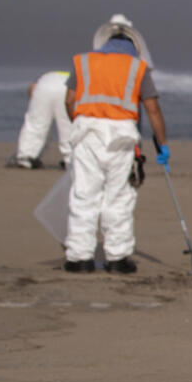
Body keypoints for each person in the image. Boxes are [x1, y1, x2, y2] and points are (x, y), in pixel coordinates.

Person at [62, 14, 167, 275]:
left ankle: (79, 258)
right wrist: (162, 145)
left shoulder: (82, 62)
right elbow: (153, 110)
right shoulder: (138, 68)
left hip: (87, 133)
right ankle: (117, 258)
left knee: (84, 195)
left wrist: (80, 121)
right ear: (134, 45)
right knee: (118, 197)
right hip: (122, 136)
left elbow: (69, 101)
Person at [9, 71, 74, 169]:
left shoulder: (44, 78)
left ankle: (25, 157)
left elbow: (33, 88)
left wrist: (34, 106)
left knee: (35, 124)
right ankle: (70, 159)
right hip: (67, 86)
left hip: (44, 85)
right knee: (68, 125)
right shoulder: (78, 73)